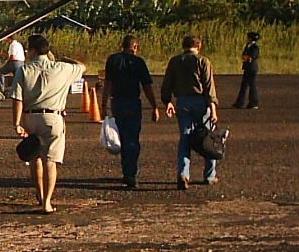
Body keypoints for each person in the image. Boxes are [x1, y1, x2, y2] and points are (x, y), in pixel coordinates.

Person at [9, 34, 85, 214]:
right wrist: (63, 58)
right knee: (50, 161)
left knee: (34, 157)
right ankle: (47, 202)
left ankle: (40, 194)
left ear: (33, 50)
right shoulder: (62, 68)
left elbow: (17, 99)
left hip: (30, 116)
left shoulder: (24, 70)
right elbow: (82, 67)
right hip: (53, 117)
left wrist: (17, 123)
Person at [101, 35, 160, 189]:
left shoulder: (112, 60)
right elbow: (146, 86)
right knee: (132, 138)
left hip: (117, 102)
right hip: (133, 102)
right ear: (134, 47)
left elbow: (108, 83)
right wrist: (154, 106)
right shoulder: (138, 62)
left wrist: (103, 105)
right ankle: (130, 172)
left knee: (121, 136)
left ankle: (126, 170)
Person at [161, 35, 219, 190]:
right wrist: (213, 108)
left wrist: (167, 102)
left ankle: (183, 173)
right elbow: (209, 87)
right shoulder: (203, 61)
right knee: (208, 138)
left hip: (183, 102)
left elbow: (167, 84)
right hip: (200, 101)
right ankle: (209, 175)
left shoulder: (175, 61)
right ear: (198, 47)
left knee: (185, 138)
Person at [233, 31, 261, 109]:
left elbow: (252, 57)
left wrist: (247, 58)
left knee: (252, 85)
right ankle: (239, 102)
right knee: (244, 85)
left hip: (252, 68)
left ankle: (254, 103)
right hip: (247, 68)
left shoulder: (255, 48)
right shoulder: (248, 46)